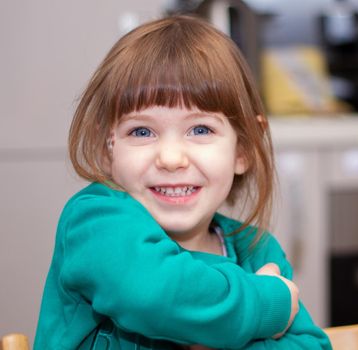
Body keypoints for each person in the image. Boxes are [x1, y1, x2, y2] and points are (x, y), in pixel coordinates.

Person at [34, 14, 332, 350]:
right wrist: (264, 304)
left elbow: (311, 346)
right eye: (142, 132)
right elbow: (153, 294)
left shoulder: (256, 250)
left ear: (243, 148)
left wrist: (213, 337)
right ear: (109, 149)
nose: (171, 158)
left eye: (200, 130)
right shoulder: (95, 223)